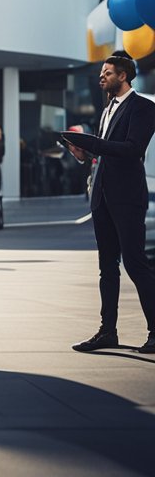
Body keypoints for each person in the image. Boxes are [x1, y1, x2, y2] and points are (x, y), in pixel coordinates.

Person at [64, 52, 155, 354]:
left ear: (124, 76)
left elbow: (132, 150)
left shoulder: (143, 108)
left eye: (108, 72)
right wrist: (85, 154)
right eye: (101, 72)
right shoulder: (107, 108)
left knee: (136, 263)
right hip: (102, 196)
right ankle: (108, 332)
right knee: (107, 267)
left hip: (128, 198)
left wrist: (92, 143)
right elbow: (106, 153)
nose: (102, 76)